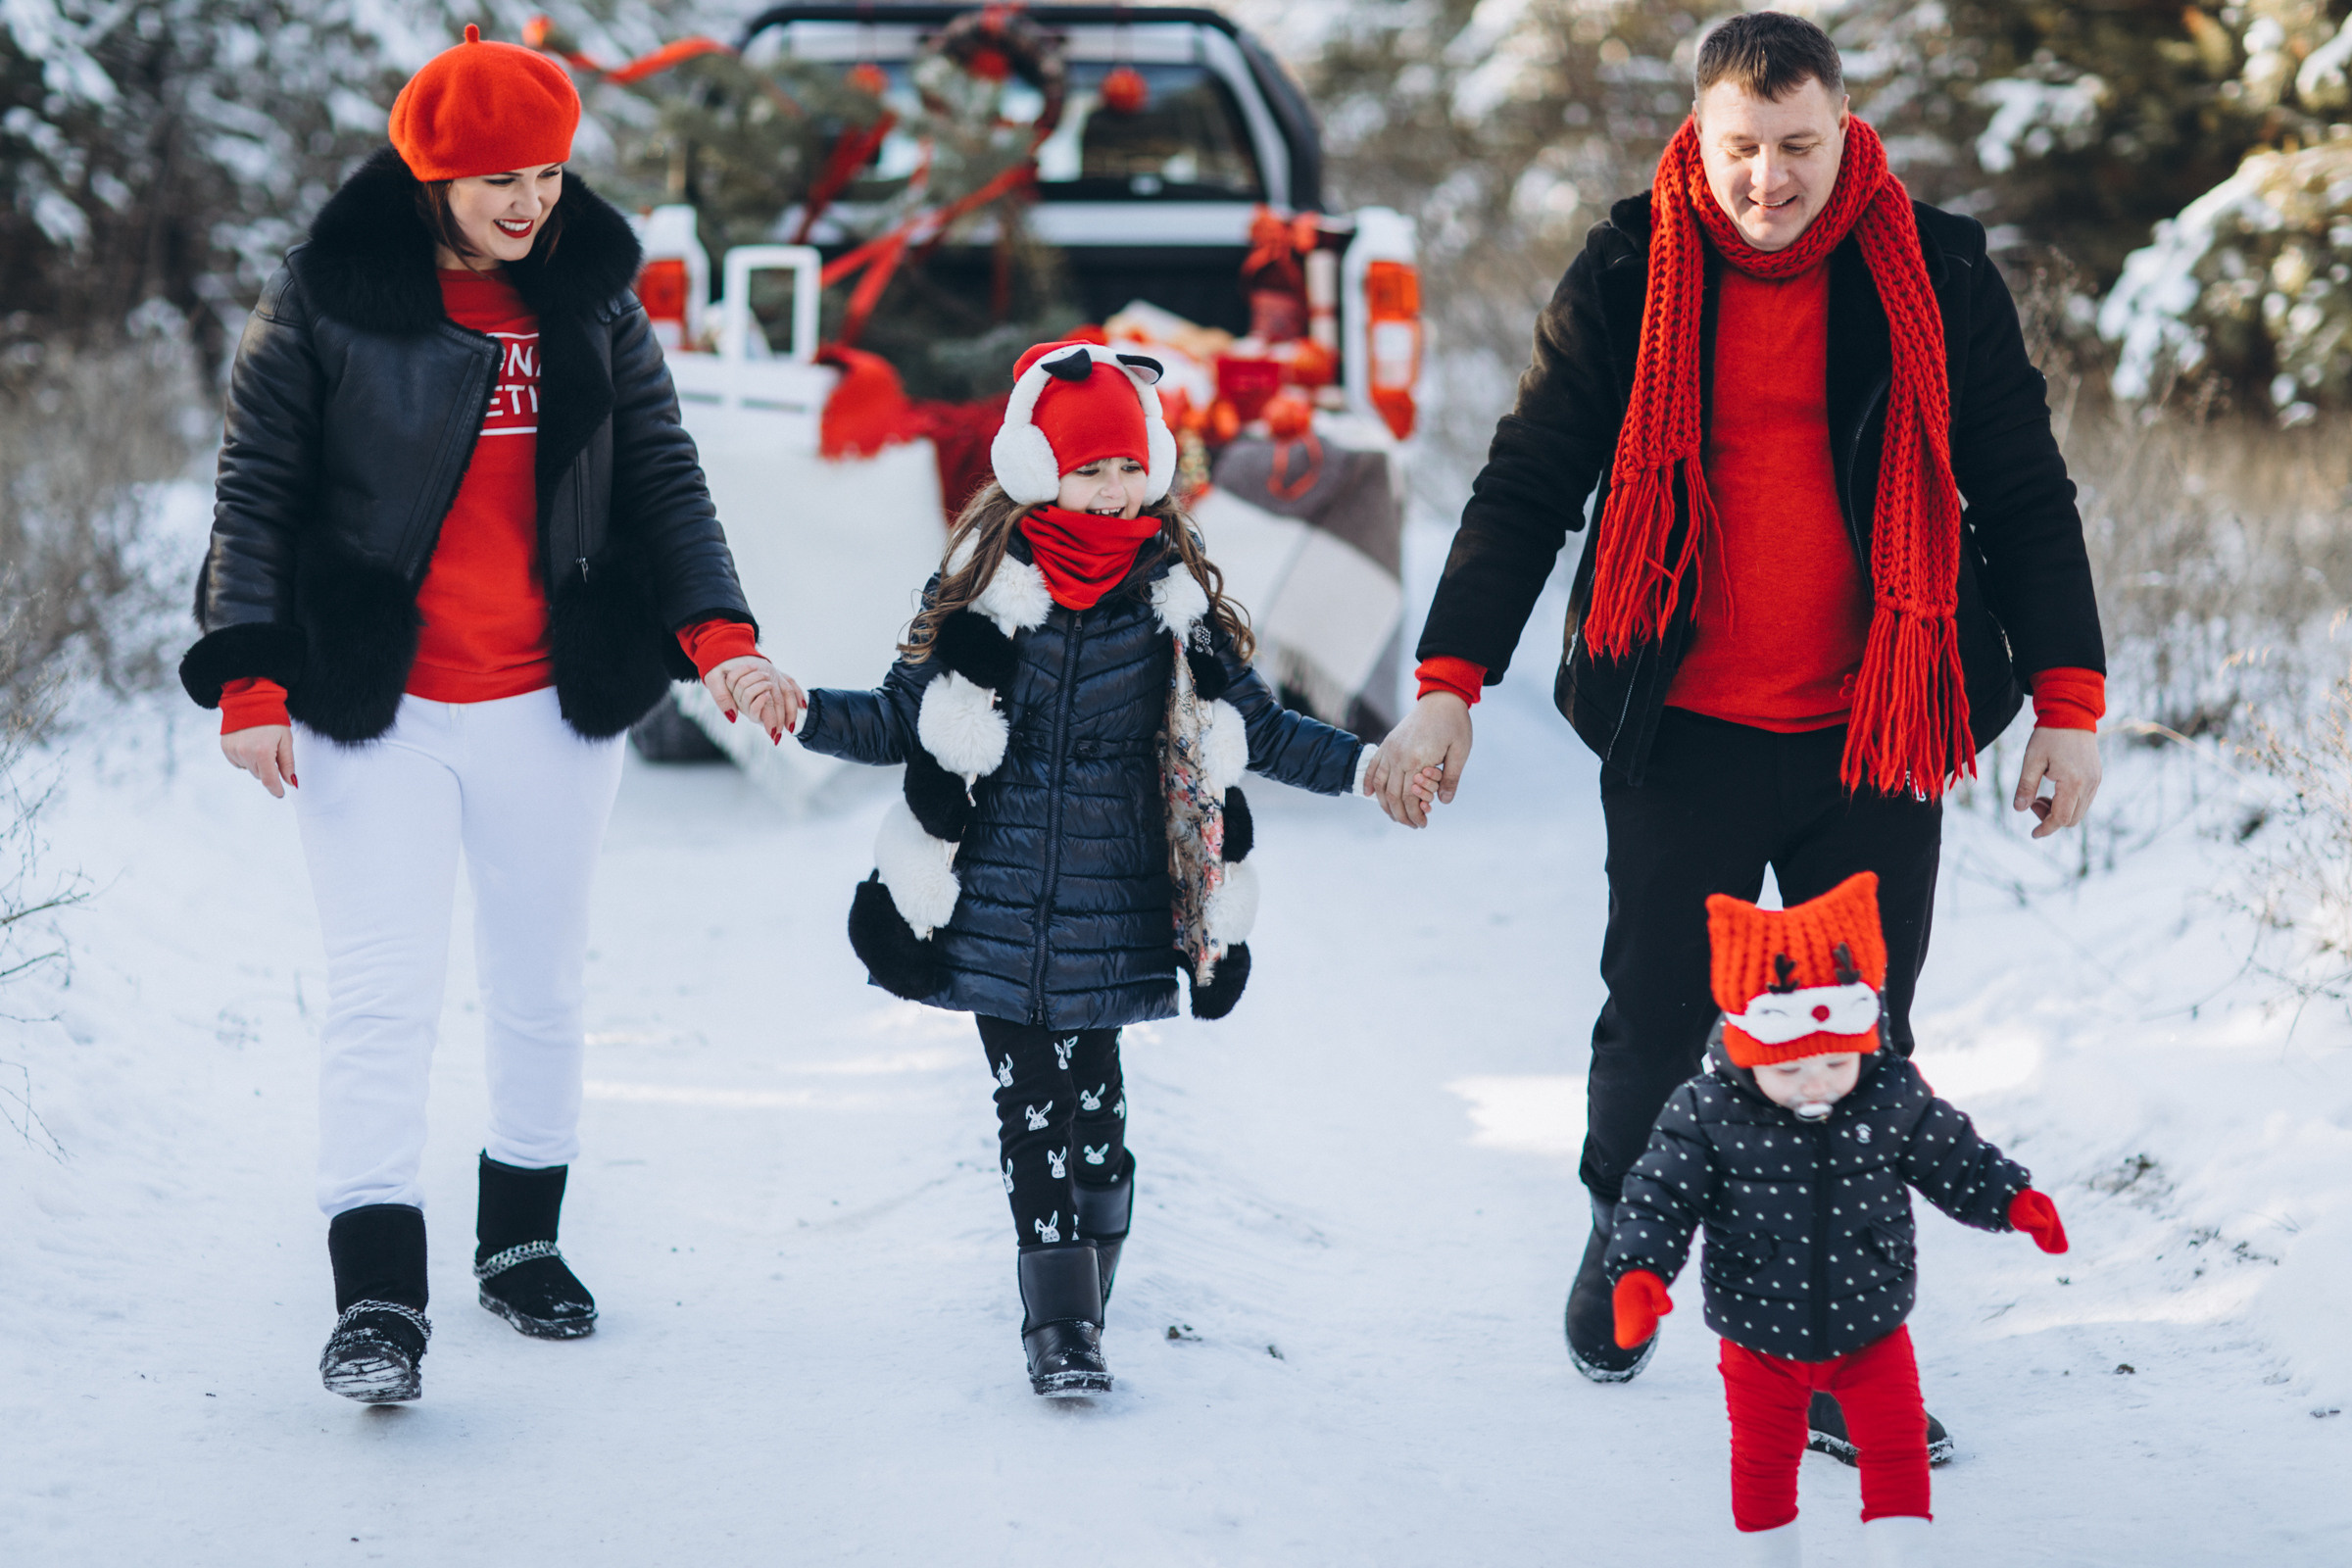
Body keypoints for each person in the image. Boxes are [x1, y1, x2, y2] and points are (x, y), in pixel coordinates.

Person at [1365, 9, 2105, 1441]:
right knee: (1656, 1024)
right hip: (1682, 725)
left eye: (1799, 146)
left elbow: (2022, 492)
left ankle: (1830, 1360)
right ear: (1699, 137)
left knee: (1852, 1044)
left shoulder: (1938, 270)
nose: (1769, 178)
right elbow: (1527, 485)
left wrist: (2067, 706)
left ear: (1848, 127)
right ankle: (1626, 1248)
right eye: (1742, 148)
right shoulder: (1631, 267)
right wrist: (1450, 684)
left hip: (1873, 733)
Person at [177, 27, 799, 1403]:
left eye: (551, 175)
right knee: (382, 998)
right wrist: (252, 677)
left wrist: (724, 644)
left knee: (541, 986)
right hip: (371, 706)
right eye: (501, 180)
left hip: (549, 708)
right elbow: (255, 494)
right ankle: (379, 1301)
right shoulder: (327, 299)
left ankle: (521, 1248)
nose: (532, 204)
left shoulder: (589, 301)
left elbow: (664, 481)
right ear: (431, 173)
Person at [788, 340, 1427, 1396]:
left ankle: (1093, 1258)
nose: (1116, 489)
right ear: (1037, 469)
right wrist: (800, 710)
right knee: (1027, 1115)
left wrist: (1370, 768)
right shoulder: (985, 587)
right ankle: (1062, 1327)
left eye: (1130, 467)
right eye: (1091, 469)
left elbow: (1257, 734)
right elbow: (902, 719)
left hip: (1118, 911)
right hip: (993, 912)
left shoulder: (1175, 607)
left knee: (1096, 1118)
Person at [1603, 872, 2070, 1566]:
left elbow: (1954, 1156)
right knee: (1762, 1467)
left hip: (1872, 1329)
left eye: (1833, 1062)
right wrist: (1639, 1272)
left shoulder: (1889, 1096)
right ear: (1745, 1049)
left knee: (1898, 1451)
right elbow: (1659, 1197)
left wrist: (2011, 1200)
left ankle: (1899, 1554)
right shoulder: (1707, 1114)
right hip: (1757, 1338)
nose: (1816, 1082)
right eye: (1790, 1071)